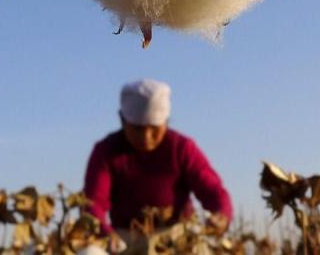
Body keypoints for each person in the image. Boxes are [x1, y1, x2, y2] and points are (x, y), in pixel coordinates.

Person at [83, 79, 233, 252]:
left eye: (154, 128)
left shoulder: (181, 148)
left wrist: (221, 213)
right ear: (122, 121)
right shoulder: (106, 151)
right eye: (138, 129)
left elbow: (211, 189)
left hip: (176, 239)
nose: (146, 137)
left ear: (166, 122)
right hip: (126, 241)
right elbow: (93, 202)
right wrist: (105, 233)